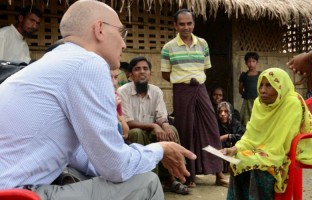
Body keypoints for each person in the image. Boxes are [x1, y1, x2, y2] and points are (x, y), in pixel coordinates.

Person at [0, 1, 196, 199]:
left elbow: (81, 156)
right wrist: (159, 150)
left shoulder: (54, 62)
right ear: (99, 29)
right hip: (14, 193)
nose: (124, 43)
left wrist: (137, 159)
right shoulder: (87, 63)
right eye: (121, 32)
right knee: (148, 183)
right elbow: (116, 166)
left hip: (10, 186)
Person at [222, 68, 312, 199]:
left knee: (259, 165)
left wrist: (257, 154)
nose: (262, 90)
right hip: (267, 148)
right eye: (261, 85)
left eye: (269, 85)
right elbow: (251, 134)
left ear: (281, 87)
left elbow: (282, 142)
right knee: (237, 160)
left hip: (288, 148)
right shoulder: (259, 103)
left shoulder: (292, 104)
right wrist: (234, 148)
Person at [160, 9, 228, 188]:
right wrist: (183, 82)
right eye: (181, 24)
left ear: (193, 24)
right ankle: (188, 176)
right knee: (186, 131)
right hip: (182, 91)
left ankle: (219, 173)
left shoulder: (203, 44)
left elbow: (204, 69)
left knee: (212, 129)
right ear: (175, 25)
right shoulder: (168, 48)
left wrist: (196, 82)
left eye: (189, 23)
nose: (185, 27)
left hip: (200, 88)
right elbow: (166, 74)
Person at [117, 56, 189, 195]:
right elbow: (128, 122)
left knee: (171, 129)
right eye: (137, 69)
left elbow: (161, 116)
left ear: (150, 74)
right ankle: (149, 179)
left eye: (145, 69)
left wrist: (165, 125)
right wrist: (154, 126)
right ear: (130, 75)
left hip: (150, 130)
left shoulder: (156, 91)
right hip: (130, 133)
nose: (142, 72)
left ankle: (172, 177)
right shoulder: (123, 91)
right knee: (137, 132)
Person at [217, 101, 245, 173]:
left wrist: (228, 136)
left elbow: (243, 137)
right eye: (220, 112)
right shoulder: (216, 124)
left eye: (226, 111)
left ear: (230, 113)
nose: (222, 114)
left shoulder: (236, 123)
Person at [238, 52, 261, 126]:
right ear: (245, 63)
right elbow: (240, 89)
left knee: (258, 119)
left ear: (257, 62)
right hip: (247, 102)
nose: (251, 64)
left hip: (258, 101)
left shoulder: (260, 75)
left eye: (253, 61)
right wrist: (247, 95)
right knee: (246, 120)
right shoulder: (244, 75)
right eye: (249, 61)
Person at [111, 68, 129, 139]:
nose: (114, 83)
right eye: (108, 77)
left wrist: (114, 109)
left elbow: (125, 132)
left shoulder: (115, 96)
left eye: (115, 77)